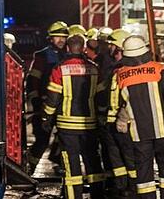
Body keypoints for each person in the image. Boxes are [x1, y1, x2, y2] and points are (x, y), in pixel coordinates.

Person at [115, 35, 164, 199]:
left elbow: (120, 104)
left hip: (139, 133)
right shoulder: (159, 70)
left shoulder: (121, 75)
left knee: (144, 174)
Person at [42, 33, 105, 199]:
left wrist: (46, 118)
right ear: (84, 48)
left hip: (67, 126)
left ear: (68, 48)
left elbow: (53, 98)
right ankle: (98, 196)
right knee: (93, 162)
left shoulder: (59, 68)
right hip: (89, 124)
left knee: (72, 166)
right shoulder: (94, 68)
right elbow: (101, 97)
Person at [25, 21, 68, 171]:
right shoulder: (42, 56)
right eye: (57, 37)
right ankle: (29, 167)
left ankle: (58, 163)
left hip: (64, 106)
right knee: (42, 140)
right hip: (45, 105)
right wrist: (36, 100)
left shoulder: (68, 56)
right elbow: (33, 80)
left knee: (64, 138)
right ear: (50, 38)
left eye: (63, 37)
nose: (61, 40)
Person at [99, 28, 136, 197]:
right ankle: (122, 187)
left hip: (125, 124)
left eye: (112, 45)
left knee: (129, 157)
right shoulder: (114, 67)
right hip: (110, 121)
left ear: (119, 47)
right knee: (116, 157)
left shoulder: (129, 68)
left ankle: (134, 187)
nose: (109, 48)